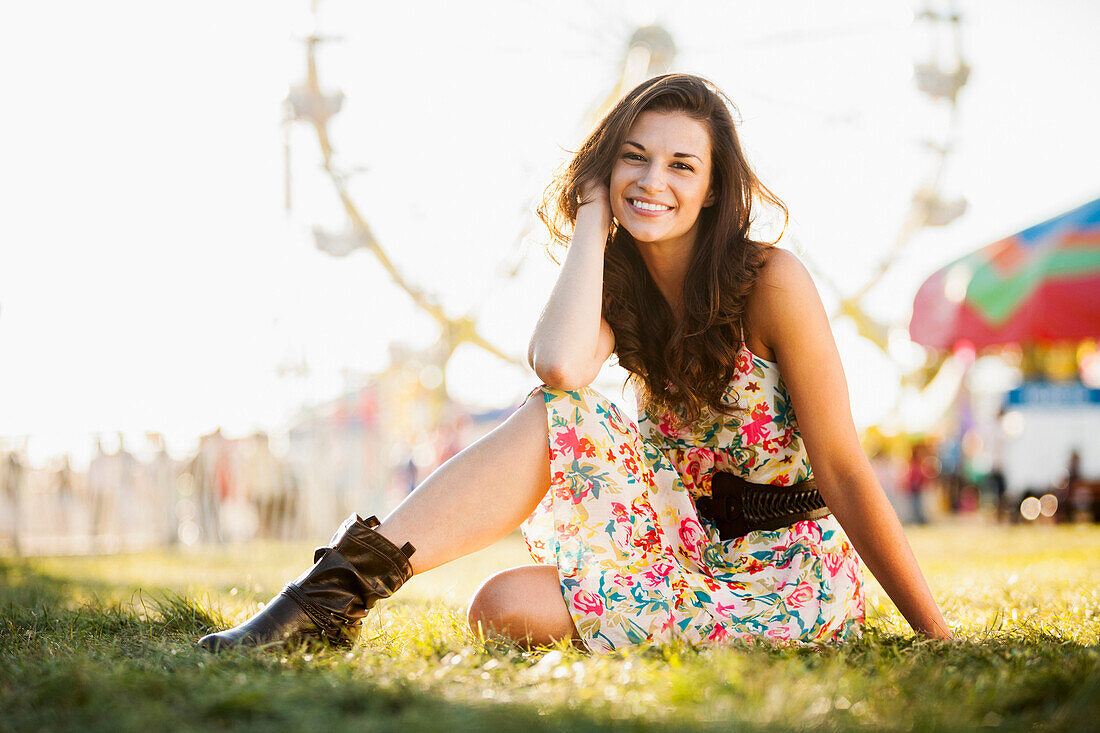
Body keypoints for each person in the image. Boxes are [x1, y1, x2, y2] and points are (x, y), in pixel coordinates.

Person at [199, 73, 952, 653]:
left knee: (503, 607)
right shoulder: (619, 287)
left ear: (714, 187)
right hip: (679, 540)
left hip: (783, 571)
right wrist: (594, 213)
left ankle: (325, 600)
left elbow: (845, 469)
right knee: (549, 437)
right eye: (635, 157)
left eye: (681, 165)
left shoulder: (772, 282)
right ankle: (330, 598)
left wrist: (935, 635)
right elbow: (559, 367)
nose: (654, 180)